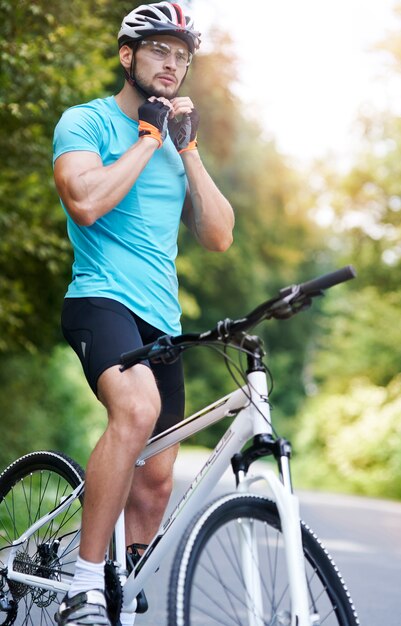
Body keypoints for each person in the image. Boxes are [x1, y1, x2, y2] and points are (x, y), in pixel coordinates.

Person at [52, 2, 234, 625]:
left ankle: (124, 600)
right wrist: (148, 136)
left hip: (162, 319)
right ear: (128, 55)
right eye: (160, 50)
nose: (172, 65)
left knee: (156, 480)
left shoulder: (175, 146)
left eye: (182, 57)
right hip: (99, 298)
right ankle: (83, 583)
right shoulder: (87, 122)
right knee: (136, 409)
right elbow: (85, 202)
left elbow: (218, 237)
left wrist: (187, 152)